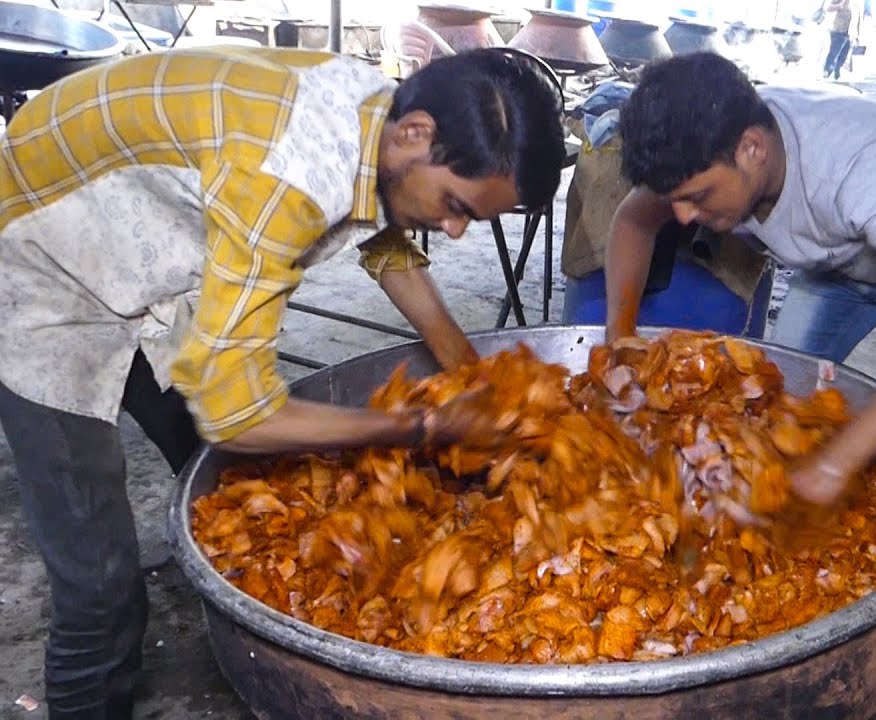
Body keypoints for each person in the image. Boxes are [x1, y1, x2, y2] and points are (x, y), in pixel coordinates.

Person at [0, 45, 563, 719]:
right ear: (417, 135)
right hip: (37, 262)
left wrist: (474, 378)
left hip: (138, 243)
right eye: (454, 204)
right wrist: (424, 427)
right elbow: (234, 412)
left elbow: (382, 238)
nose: (454, 229)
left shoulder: (380, 117)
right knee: (97, 584)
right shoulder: (290, 173)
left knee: (239, 489)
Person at [604, 52, 876, 506]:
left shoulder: (860, 167)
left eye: (697, 197)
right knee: (777, 401)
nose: (682, 216)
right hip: (842, 255)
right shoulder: (705, 147)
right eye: (674, 199)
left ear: (753, 149)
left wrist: (838, 462)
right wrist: (619, 345)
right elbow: (634, 223)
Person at [821, 0, 854, 80]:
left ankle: (837, 71)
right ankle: (827, 71)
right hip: (838, 29)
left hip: (850, 32)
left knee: (844, 55)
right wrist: (840, 5)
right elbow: (828, 8)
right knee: (834, 52)